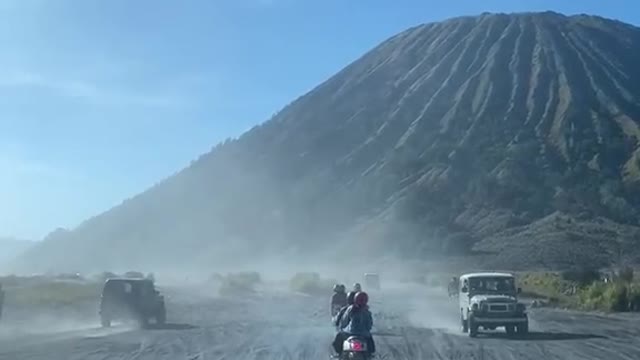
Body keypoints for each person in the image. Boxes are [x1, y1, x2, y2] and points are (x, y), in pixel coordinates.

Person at [332, 291, 375, 356]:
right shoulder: (367, 311)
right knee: (371, 348)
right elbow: (369, 324)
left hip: (349, 333)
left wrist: (342, 328)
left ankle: (339, 355)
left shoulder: (350, 309)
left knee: (337, 341)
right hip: (364, 334)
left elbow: (344, 321)